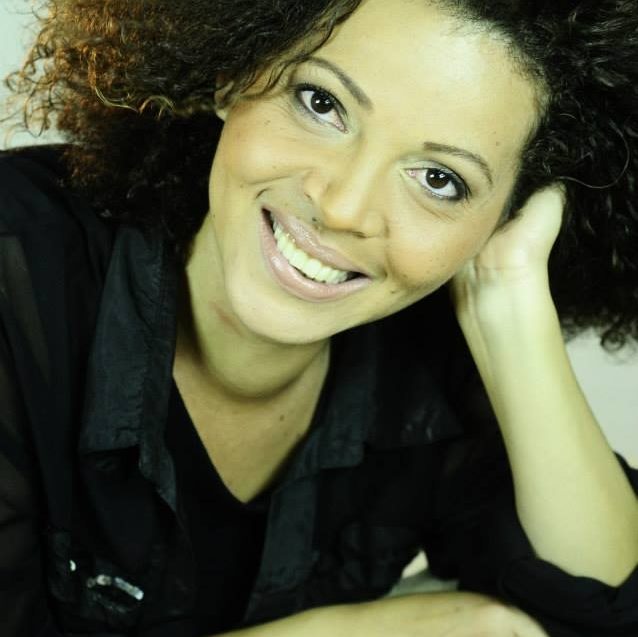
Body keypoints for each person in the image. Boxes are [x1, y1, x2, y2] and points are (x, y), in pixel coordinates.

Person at [1, 0, 638, 635]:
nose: (343, 207)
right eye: (321, 103)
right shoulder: (18, 265)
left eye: (439, 180)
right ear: (234, 71)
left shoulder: (430, 362)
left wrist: (508, 291)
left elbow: (602, 610)